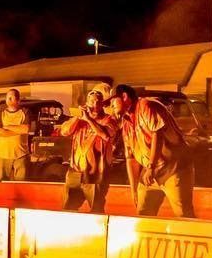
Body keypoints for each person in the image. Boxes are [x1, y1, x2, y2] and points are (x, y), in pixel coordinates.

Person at [109, 84, 194, 217]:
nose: (111, 106)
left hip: (174, 168)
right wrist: (134, 189)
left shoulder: (146, 106)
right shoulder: (126, 123)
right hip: (151, 173)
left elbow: (157, 134)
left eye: (113, 101)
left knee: (183, 214)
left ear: (124, 96)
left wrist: (150, 167)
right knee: (143, 212)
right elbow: (130, 158)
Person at [55, 89, 117, 212]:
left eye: (98, 102)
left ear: (102, 104)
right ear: (86, 103)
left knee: (96, 209)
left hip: (96, 174)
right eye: (92, 102)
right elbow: (64, 131)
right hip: (75, 171)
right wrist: (78, 117)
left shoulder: (109, 119)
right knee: (68, 208)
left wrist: (89, 119)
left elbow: (105, 135)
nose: (95, 105)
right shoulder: (79, 119)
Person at [0, 89, 31, 181]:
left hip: (20, 155)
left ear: (18, 100)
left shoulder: (25, 112)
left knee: (21, 184)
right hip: (3, 155)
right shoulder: (0, 113)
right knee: (1, 184)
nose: (8, 99)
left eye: (11, 97)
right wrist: (18, 130)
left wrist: (6, 127)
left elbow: (26, 129)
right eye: (7, 97)